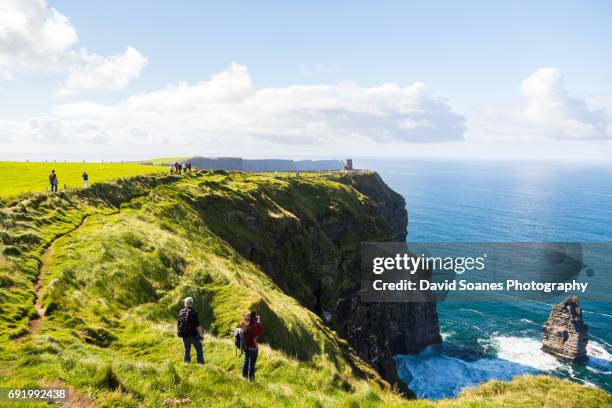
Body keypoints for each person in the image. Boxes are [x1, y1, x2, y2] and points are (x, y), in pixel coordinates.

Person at [177, 297, 204, 364]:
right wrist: (201, 335)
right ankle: (200, 364)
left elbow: (178, 324)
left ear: (186, 303)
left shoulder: (181, 311)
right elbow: (197, 326)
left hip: (184, 335)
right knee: (199, 348)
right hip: (193, 335)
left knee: (187, 350)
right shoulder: (194, 313)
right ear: (191, 303)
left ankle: (187, 364)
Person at [240, 311, 262, 381]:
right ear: (255, 319)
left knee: (246, 361)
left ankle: (244, 376)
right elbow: (257, 337)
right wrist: (258, 324)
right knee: (252, 364)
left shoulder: (245, 324)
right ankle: (251, 379)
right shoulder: (255, 327)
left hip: (246, 347)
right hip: (253, 348)